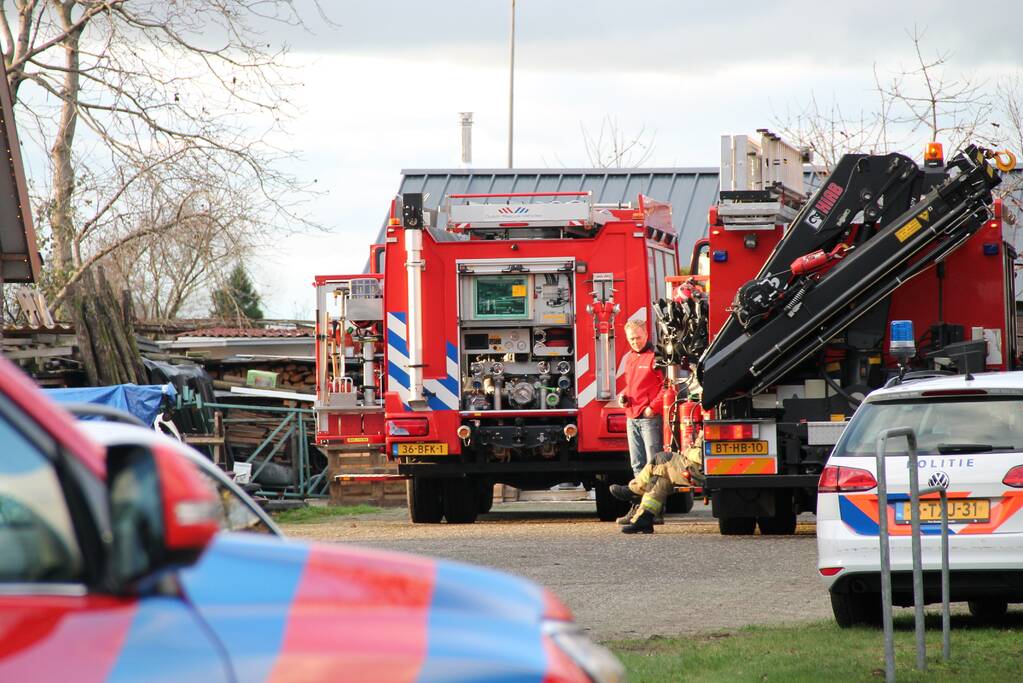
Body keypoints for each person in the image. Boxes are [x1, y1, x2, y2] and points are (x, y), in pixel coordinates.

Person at [615, 319, 667, 524]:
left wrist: (652, 408)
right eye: (631, 339)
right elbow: (631, 386)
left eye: (638, 337)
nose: (635, 342)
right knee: (637, 466)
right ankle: (638, 508)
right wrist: (623, 397)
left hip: (649, 419)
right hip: (632, 416)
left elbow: (667, 387)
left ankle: (654, 511)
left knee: (653, 466)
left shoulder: (656, 357)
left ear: (646, 334)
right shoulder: (630, 358)